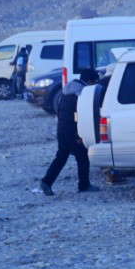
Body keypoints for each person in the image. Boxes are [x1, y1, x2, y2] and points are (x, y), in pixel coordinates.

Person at [39, 68, 98, 196]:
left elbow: (60, 111)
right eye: (94, 82)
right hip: (72, 129)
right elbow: (79, 116)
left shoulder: (67, 91)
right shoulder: (81, 94)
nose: (95, 85)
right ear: (88, 81)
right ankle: (84, 185)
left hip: (61, 127)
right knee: (82, 156)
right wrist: (79, 134)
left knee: (61, 156)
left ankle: (47, 181)